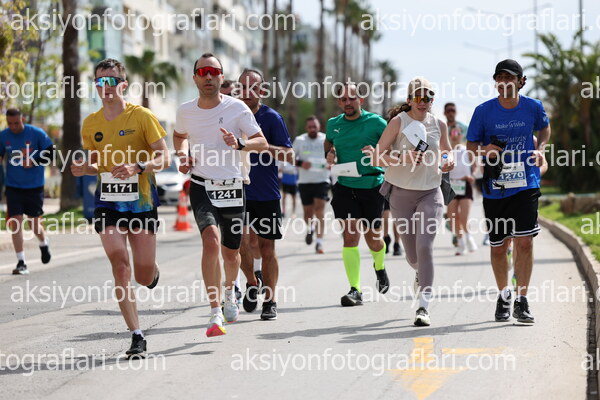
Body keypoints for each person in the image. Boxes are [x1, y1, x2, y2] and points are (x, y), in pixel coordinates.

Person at [71, 58, 171, 357]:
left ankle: (152, 272)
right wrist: (83, 169)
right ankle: (136, 334)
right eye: (100, 82)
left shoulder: (142, 116)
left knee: (142, 275)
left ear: (123, 85)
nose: (106, 87)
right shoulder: (91, 123)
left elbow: (164, 157)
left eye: (111, 81)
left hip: (141, 202)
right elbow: (94, 165)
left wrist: (137, 166)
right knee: (120, 266)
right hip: (108, 202)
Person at [173, 54, 267, 336]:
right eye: (203, 71)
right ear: (195, 77)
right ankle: (215, 311)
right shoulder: (185, 111)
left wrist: (239, 143)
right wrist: (182, 155)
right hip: (201, 184)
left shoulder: (237, 108)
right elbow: (179, 136)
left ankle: (229, 292)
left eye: (214, 71)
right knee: (211, 241)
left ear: (221, 77)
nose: (208, 76)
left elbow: (261, 142)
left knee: (231, 252)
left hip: (233, 186)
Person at [365, 77, 454, 326]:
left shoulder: (439, 124)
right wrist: (403, 158)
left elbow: (446, 150)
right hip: (401, 193)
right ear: (410, 99)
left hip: (430, 192)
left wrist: (447, 160)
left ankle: (423, 307)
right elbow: (377, 158)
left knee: (425, 247)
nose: (423, 102)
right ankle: (418, 271)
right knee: (413, 255)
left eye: (428, 97)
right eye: (419, 97)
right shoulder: (398, 122)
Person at [466, 59, 550, 324]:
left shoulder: (533, 107)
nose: (504, 82)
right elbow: (470, 147)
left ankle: (522, 301)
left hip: (526, 182)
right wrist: (485, 150)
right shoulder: (483, 111)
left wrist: (540, 149)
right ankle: (504, 295)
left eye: (509, 77)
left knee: (525, 241)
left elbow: (545, 128)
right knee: (499, 246)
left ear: (521, 82)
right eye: (499, 78)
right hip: (496, 187)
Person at [325, 83, 389, 306]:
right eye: (343, 99)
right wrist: (330, 153)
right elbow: (329, 143)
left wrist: (377, 153)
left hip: (372, 186)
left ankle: (380, 266)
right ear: (339, 102)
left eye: (352, 98)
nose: (347, 102)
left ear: (361, 100)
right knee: (351, 236)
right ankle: (355, 290)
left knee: (374, 240)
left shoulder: (376, 122)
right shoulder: (333, 124)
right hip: (344, 185)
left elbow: (393, 148)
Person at [238, 68, 294, 320]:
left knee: (266, 247)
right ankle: (252, 282)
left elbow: (288, 154)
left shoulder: (272, 118)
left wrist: (261, 146)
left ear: (261, 90)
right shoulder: (230, 115)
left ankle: (270, 300)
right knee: (240, 244)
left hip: (266, 193)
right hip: (236, 190)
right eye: (243, 86)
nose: (247, 91)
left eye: (253, 87)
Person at [0, 108, 54, 275]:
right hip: (13, 186)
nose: (13, 126)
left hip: (34, 186)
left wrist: (34, 161)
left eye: (16, 123)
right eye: (10, 123)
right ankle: (21, 262)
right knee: (15, 223)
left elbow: (51, 154)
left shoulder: (36, 134)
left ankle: (43, 242)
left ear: (22, 119)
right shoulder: (3, 136)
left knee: (34, 224)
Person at [293, 115, 330, 254]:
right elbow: (289, 157)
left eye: (315, 126)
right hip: (305, 181)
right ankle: (311, 228)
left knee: (320, 210)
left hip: (322, 180)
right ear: (306, 128)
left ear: (319, 126)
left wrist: (331, 163)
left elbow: (335, 155)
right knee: (308, 212)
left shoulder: (326, 139)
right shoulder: (300, 140)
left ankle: (319, 243)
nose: (312, 129)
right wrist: (301, 163)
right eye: (310, 127)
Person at [447, 124, 478, 255]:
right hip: (451, 186)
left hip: (465, 185)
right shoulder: (446, 151)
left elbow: (475, 166)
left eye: (458, 133)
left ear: (461, 135)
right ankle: (460, 242)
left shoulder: (466, 150)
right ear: (449, 135)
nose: (455, 136)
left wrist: (472, 176)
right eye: (453, 133)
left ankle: (468, 237)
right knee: (453, 217)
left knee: (464, 217)